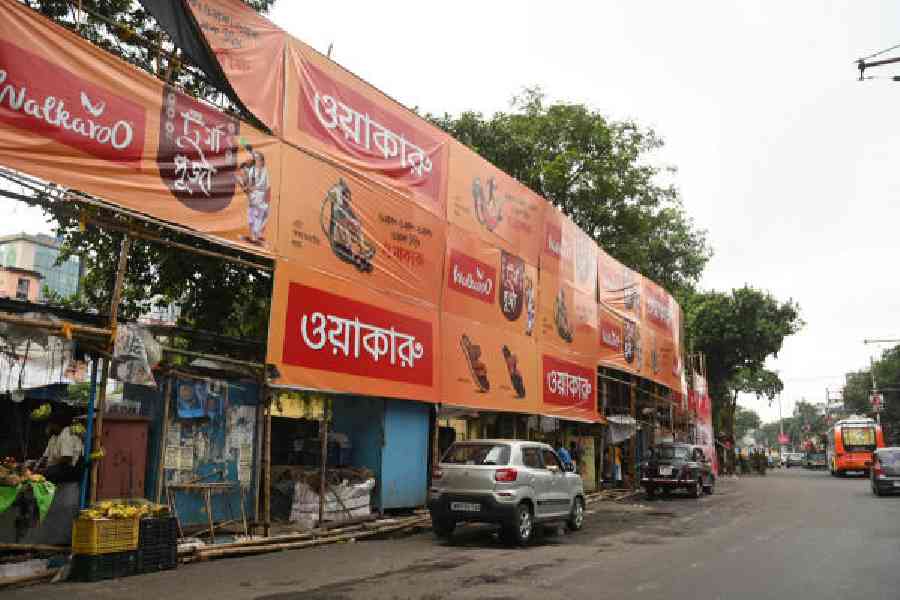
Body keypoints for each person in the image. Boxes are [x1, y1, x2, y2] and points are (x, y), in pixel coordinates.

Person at [38, 417, 84, 483]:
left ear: (56, 425)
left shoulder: (66, 434)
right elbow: (45, 456)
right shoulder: (53, 437)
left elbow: (67, 458)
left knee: (46, 473)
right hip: (58, 467)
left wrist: (46, 469)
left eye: (49, 425)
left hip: (71, 468)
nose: (47, 428)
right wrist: (37, 465)